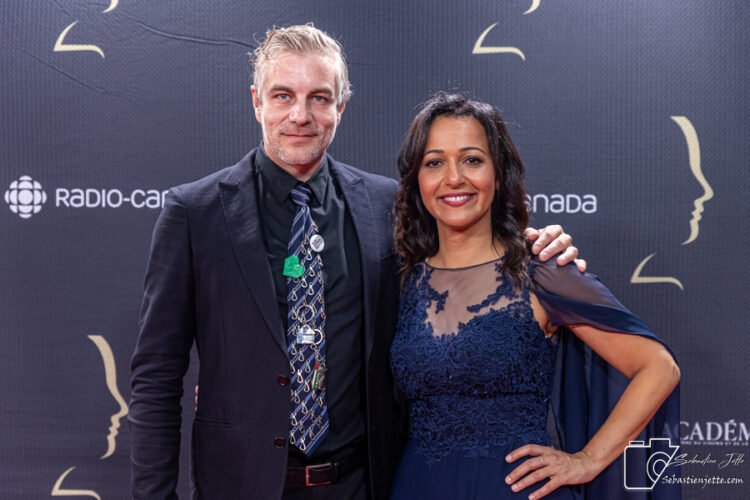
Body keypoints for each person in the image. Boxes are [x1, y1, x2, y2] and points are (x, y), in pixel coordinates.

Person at [128, 25, 581, 499]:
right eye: (283, 96)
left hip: (361, 485)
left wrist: (535, 245)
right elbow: (156, 378)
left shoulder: (389, 206)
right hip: (239, 487)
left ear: (341, 107)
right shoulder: (194, 213)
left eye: (319, 98)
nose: (300, 115)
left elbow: (467, 250)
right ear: (257, 102)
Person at [389, 93, 681, 500]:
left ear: (498, 173)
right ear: (416, 179)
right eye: (434, 162)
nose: (453, 178)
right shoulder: (402, 280)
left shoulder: (542, 271)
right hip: (416, 486)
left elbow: (659, 367)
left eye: (472, 159)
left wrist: (587, 460)